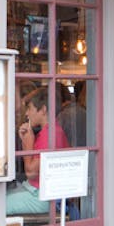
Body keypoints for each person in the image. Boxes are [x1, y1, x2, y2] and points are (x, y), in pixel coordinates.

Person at [6, 87, 69, 215]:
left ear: (43, 109)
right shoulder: (52, 131)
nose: (26, 114)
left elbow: (31, 173)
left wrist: (27, 143)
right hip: (42, 192)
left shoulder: (49, 135)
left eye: (29, 108)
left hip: (42, 197)